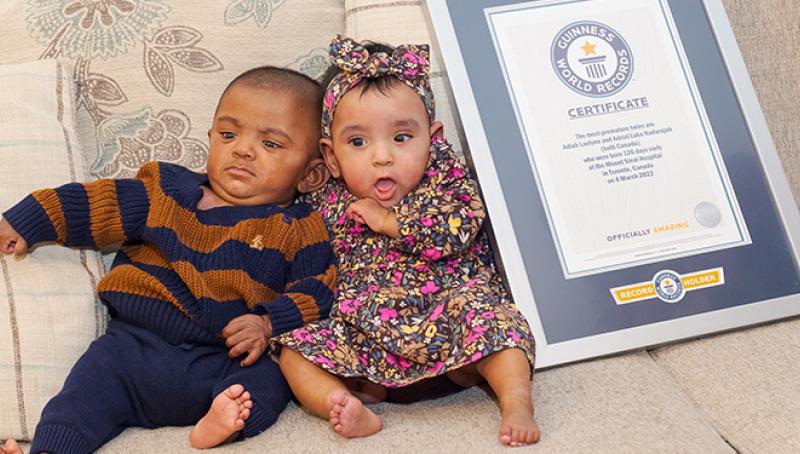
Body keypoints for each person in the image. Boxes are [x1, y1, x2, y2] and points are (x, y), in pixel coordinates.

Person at [0, 66, 336, 454]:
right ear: (210, 137)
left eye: (271, 144)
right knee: (82, 394)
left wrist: (267, 323)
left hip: (225, 360)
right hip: (131, 351)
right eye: (229, 134)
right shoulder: (165, 191)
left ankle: (221, 424)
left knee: (271, 381)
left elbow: (317, 290)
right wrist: (26, 221)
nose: (243, 149)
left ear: (311, 175)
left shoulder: (300, 227)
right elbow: (95, 203)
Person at [275, 35, 540, 447]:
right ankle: (344, 402)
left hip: (451, 325)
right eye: (358, 142)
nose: (382, 156)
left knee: (499, 325)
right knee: (293, 352)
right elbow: (291, 232)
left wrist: (391, 222)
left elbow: (456, 229)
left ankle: (516, 400)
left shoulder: (445, 183)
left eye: (401, 138)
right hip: (366, 335)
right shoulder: (328, 196)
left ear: (432, 140)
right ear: (330, 155)